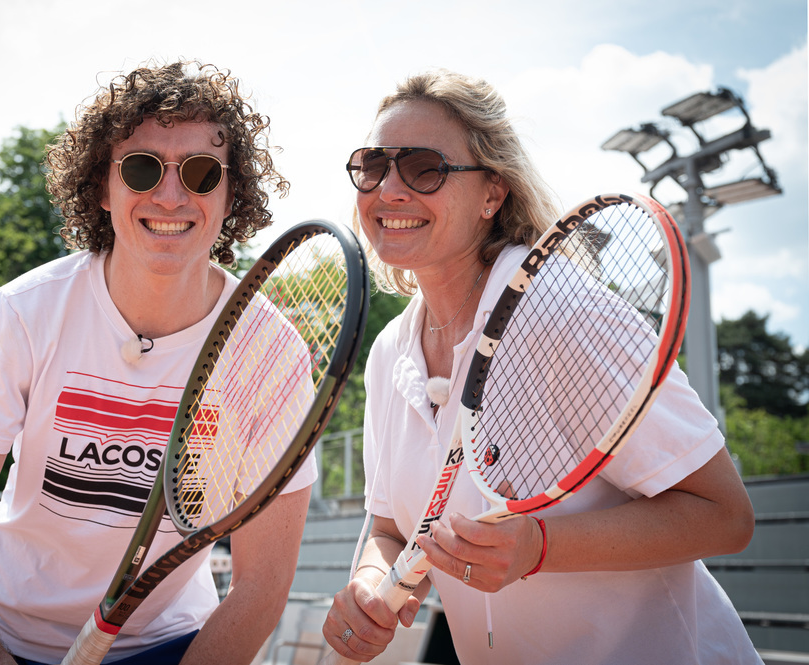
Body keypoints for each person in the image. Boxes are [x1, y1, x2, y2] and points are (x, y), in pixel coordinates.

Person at [322, 69, 761, 664]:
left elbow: (724, 515)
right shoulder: (388, 352)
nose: (390, 189)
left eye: (424, 167)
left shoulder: (566, 312)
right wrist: (371, 587)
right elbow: (391, 529)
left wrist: (539, 545)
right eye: (373, 166)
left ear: (492, 193)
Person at [0, 60, 313, 665]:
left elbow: (262, 585)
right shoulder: (24, 312)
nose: (170, 195)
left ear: (232, 195)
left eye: (201, 172)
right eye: (142, 167)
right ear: (102, 187)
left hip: (164, 645)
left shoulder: (271, 351)